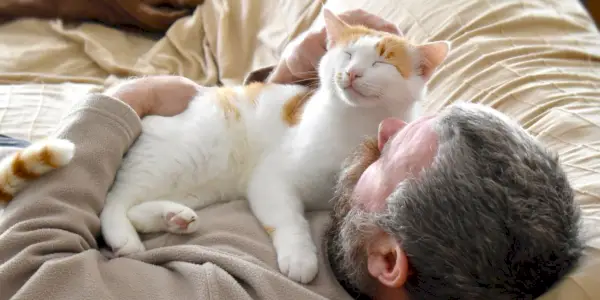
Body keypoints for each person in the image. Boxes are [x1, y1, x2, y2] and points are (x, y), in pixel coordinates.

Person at [0, 9, 582, 300]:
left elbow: (27, 269)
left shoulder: (240, 289)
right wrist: (286, 78)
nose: (377, 136)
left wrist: (126, 101)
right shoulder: (354, 231)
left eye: (387, 156)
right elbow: (263, 151)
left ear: (389, 260)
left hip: (44, 184)